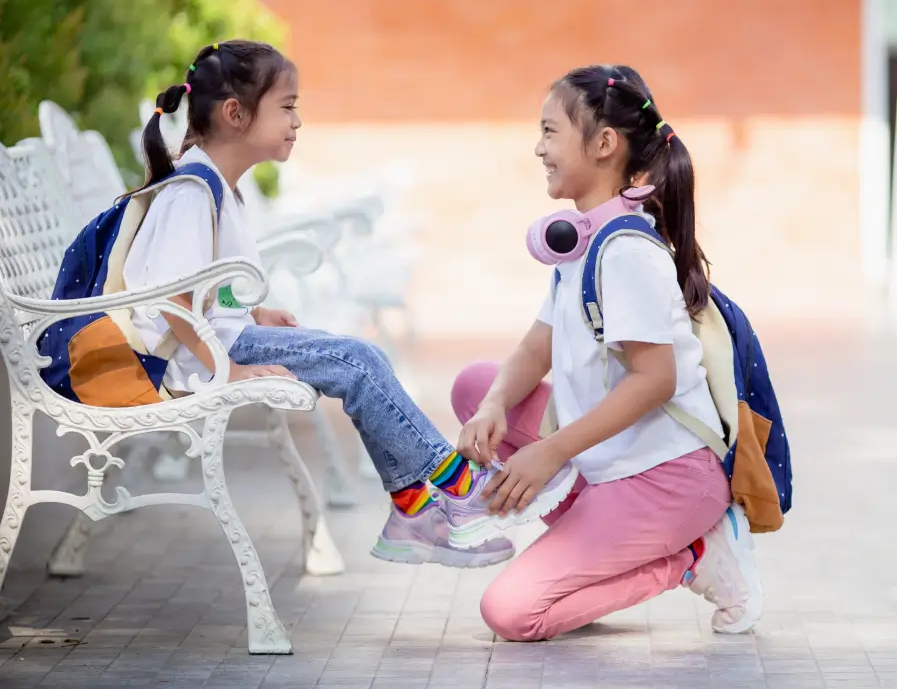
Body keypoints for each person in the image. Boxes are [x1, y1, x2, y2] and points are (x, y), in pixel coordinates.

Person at [124, 40, 575, 569]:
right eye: (287, 107)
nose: (298, 121)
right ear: (235, 114)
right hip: (201, 358)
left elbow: (205, 286)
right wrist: (230, 373)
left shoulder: (218, 187)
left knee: (363, 362)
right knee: (359, 362)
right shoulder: (193, 192)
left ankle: (413, 511)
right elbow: (172, 299)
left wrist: (252, 314)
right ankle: (456, 485)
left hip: (222, 341)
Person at [450, 65, 764, 642]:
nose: (538, 147)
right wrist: (493, 405)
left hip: (666, 479)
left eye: (549, 132)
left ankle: (694, 554)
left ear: (602, 144)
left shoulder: (624, 252)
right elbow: (534, 347)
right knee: (475, 385)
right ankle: (593, 532)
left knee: (513, 613)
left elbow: (656, 380)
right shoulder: (581, 240)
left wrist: (548, 453)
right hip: (609, 466)